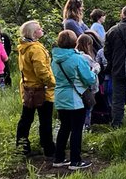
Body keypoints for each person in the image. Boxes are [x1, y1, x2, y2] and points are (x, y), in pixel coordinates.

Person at [50, 30, 96, 170]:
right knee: (76, 129)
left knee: (64, 127)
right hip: (75, 98)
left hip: (60, 96)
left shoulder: (55, 59)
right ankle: (75, 161)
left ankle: (59, 158)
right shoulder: (78, 59)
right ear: (74, 42)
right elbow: (89, 79)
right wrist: (94, 71)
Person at [16, 20, 56, 158]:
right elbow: (41, 70)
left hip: (28, 88)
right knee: (45, 120)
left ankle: (22, 147)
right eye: (39, 28)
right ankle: (49, 149)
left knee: (26, 118)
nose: (41, 30)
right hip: (41, 89)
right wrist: (52, 82)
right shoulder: (35, 49)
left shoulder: (24, 47)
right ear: (33, 33)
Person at [74, 31, 107, 129]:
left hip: (77, 88)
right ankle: (86, 126)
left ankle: (80, 126)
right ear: (88, 45)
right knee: (88, 108)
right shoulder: (86, 57)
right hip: (88, 88)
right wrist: (95, 70)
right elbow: (94, 69)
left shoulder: (74, 55)